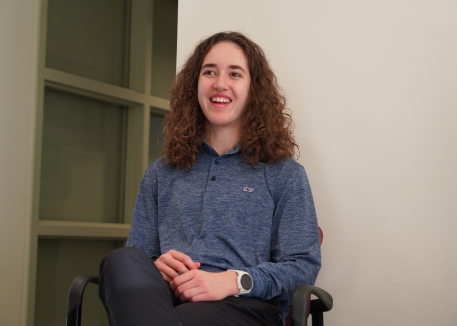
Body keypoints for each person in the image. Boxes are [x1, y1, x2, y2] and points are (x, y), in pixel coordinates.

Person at [99, 31, 321, 326]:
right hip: (164, 299)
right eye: (210, 72)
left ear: (254, 89)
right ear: (195, 85)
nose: (220, 83)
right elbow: (138, 258)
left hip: (245, 306)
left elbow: (302, 266)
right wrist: (156, 267)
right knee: (120, 261)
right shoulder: (160, 173)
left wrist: (233, 281)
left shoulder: (284, 174)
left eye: (235, 74)